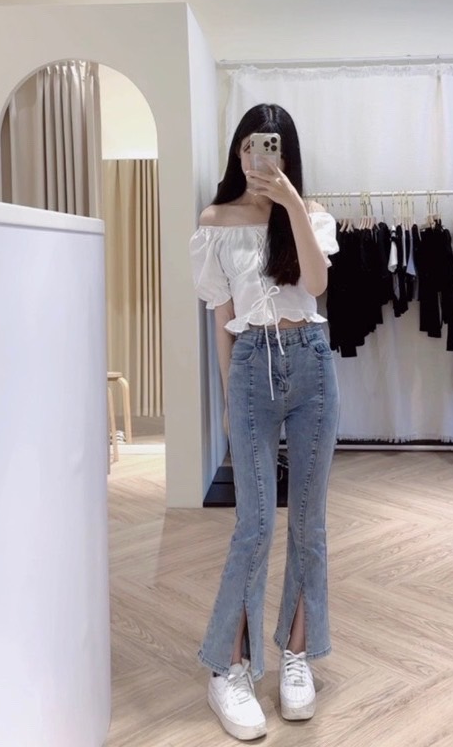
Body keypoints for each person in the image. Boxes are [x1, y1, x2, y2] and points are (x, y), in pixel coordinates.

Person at [189, 103, 341, 741]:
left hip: (311, 364)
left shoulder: (311, 215)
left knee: (309, 523)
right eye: (252, 145)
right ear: (239, 151)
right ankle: (229, 667)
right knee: (253, 525)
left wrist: (292, 204)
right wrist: (229, 397)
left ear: (287, 154)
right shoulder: (217, 221)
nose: (261, 157)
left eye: (272, 146)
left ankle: (296, 654)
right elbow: (221, 316)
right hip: (252, 365)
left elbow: (316, 282)